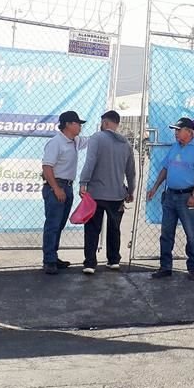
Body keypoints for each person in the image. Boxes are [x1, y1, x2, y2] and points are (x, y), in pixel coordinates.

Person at [146, 117, 194, 280]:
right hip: (170, 196)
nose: (175, 133)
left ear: (189, 132)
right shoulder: (174, 148)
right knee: (166, 233)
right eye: (175, 130)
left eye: (178, 130)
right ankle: (165, 267)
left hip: (187, 197)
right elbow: (165, 169)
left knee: (191, 233)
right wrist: (155, 188)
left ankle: (193, 268)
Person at [79, 110, 136, 275]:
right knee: (114, 228)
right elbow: (131, 171)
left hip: (96, 194)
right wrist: (130, 190)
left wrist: (83, 182)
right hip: (117, 194)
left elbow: (90, 162)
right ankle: (113, 260)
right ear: (117, 123)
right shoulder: (125, 143)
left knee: (92, 228)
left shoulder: (97, 138)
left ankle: (90, 263)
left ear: (105, 122)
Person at [41, 110, 88, 275]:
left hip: (67, 186)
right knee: (53, 225)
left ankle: (53, 256)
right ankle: (49, 261)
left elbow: (90, 141)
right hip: (57, 186)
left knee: (59, 225)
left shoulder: (74, 141)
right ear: (68, 124)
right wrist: (56, 189)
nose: (80, 126)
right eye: (77, 123)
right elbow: (47, 167)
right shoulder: (56, 142)